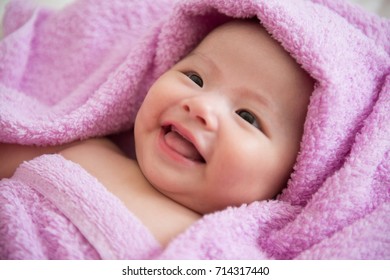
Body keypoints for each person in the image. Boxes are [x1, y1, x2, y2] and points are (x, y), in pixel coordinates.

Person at [0, 20, 314, 246]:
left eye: (247, 116)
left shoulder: (234, 253)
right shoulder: (85, 151)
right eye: (195, 77)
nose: (201, 106)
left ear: (295, 173)